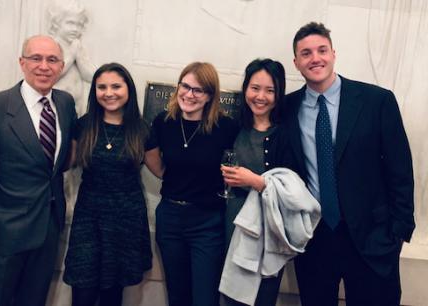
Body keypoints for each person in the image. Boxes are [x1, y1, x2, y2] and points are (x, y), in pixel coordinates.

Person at [283, 22, 415, 305]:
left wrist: (398, 233)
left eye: (321, 50)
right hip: (314, 238)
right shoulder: (286, 108)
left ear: (333, 53)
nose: (315, 58)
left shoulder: (376, 101)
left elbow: (400, 171)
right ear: (296, 62)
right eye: (306, 53)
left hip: (372, 239)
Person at [0, 35, 77, 306]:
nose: (44, 66)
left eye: (52, 60)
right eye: (36, 58)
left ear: (61, 66)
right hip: (2, 237)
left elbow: (58, 162)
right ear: (22, 62)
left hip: (48, 231)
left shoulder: (65, 104)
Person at [144, 62, 239, 306]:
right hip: (170, 218)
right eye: (185, 86)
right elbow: (155, 163)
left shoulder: (225, 128)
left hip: (206, 222)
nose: (189, 94)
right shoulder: (164, 122)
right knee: (177, 296)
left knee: (204, 298)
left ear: (210, 95)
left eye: (198, 90)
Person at [63, 63, 152, 306]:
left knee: (113, 293)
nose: (108, 92)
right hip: (88, 217)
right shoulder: (83, 125)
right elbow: (66, 163)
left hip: (126, 218)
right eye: (102, 87)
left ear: (128, 90)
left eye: (116, 86)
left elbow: (163, 170)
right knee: (82, 288)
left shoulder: (142, 130)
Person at [220, 58, 294, 306]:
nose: (261, 96)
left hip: (265, 231)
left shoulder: (285, 135)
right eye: (255, 88)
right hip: (231, 224)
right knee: (228, 296)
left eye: (270, 90)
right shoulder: (232, 127)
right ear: (245, 89)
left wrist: (254, 181)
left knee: (261, 297)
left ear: (279, 93)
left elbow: (293, 192)